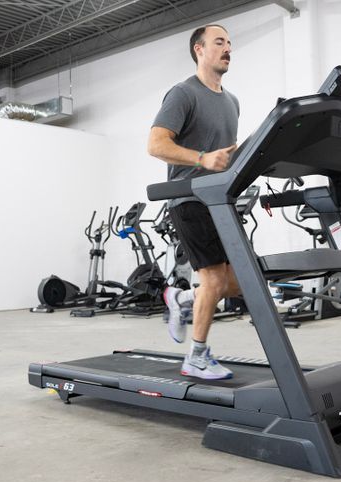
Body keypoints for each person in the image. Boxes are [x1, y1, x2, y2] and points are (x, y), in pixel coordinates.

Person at [147, 24, 242, 380]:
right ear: (199, 50)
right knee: (215, 280)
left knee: (242, 283)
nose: (228, 48)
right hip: (188, 200)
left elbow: (226, 157)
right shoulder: (183, 94)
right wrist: (202, 159)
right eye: (220, 42)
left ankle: (181, 299)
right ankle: (196, 358)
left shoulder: (233, 102)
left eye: (230, 43)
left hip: (221, 202)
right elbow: (156, 145)